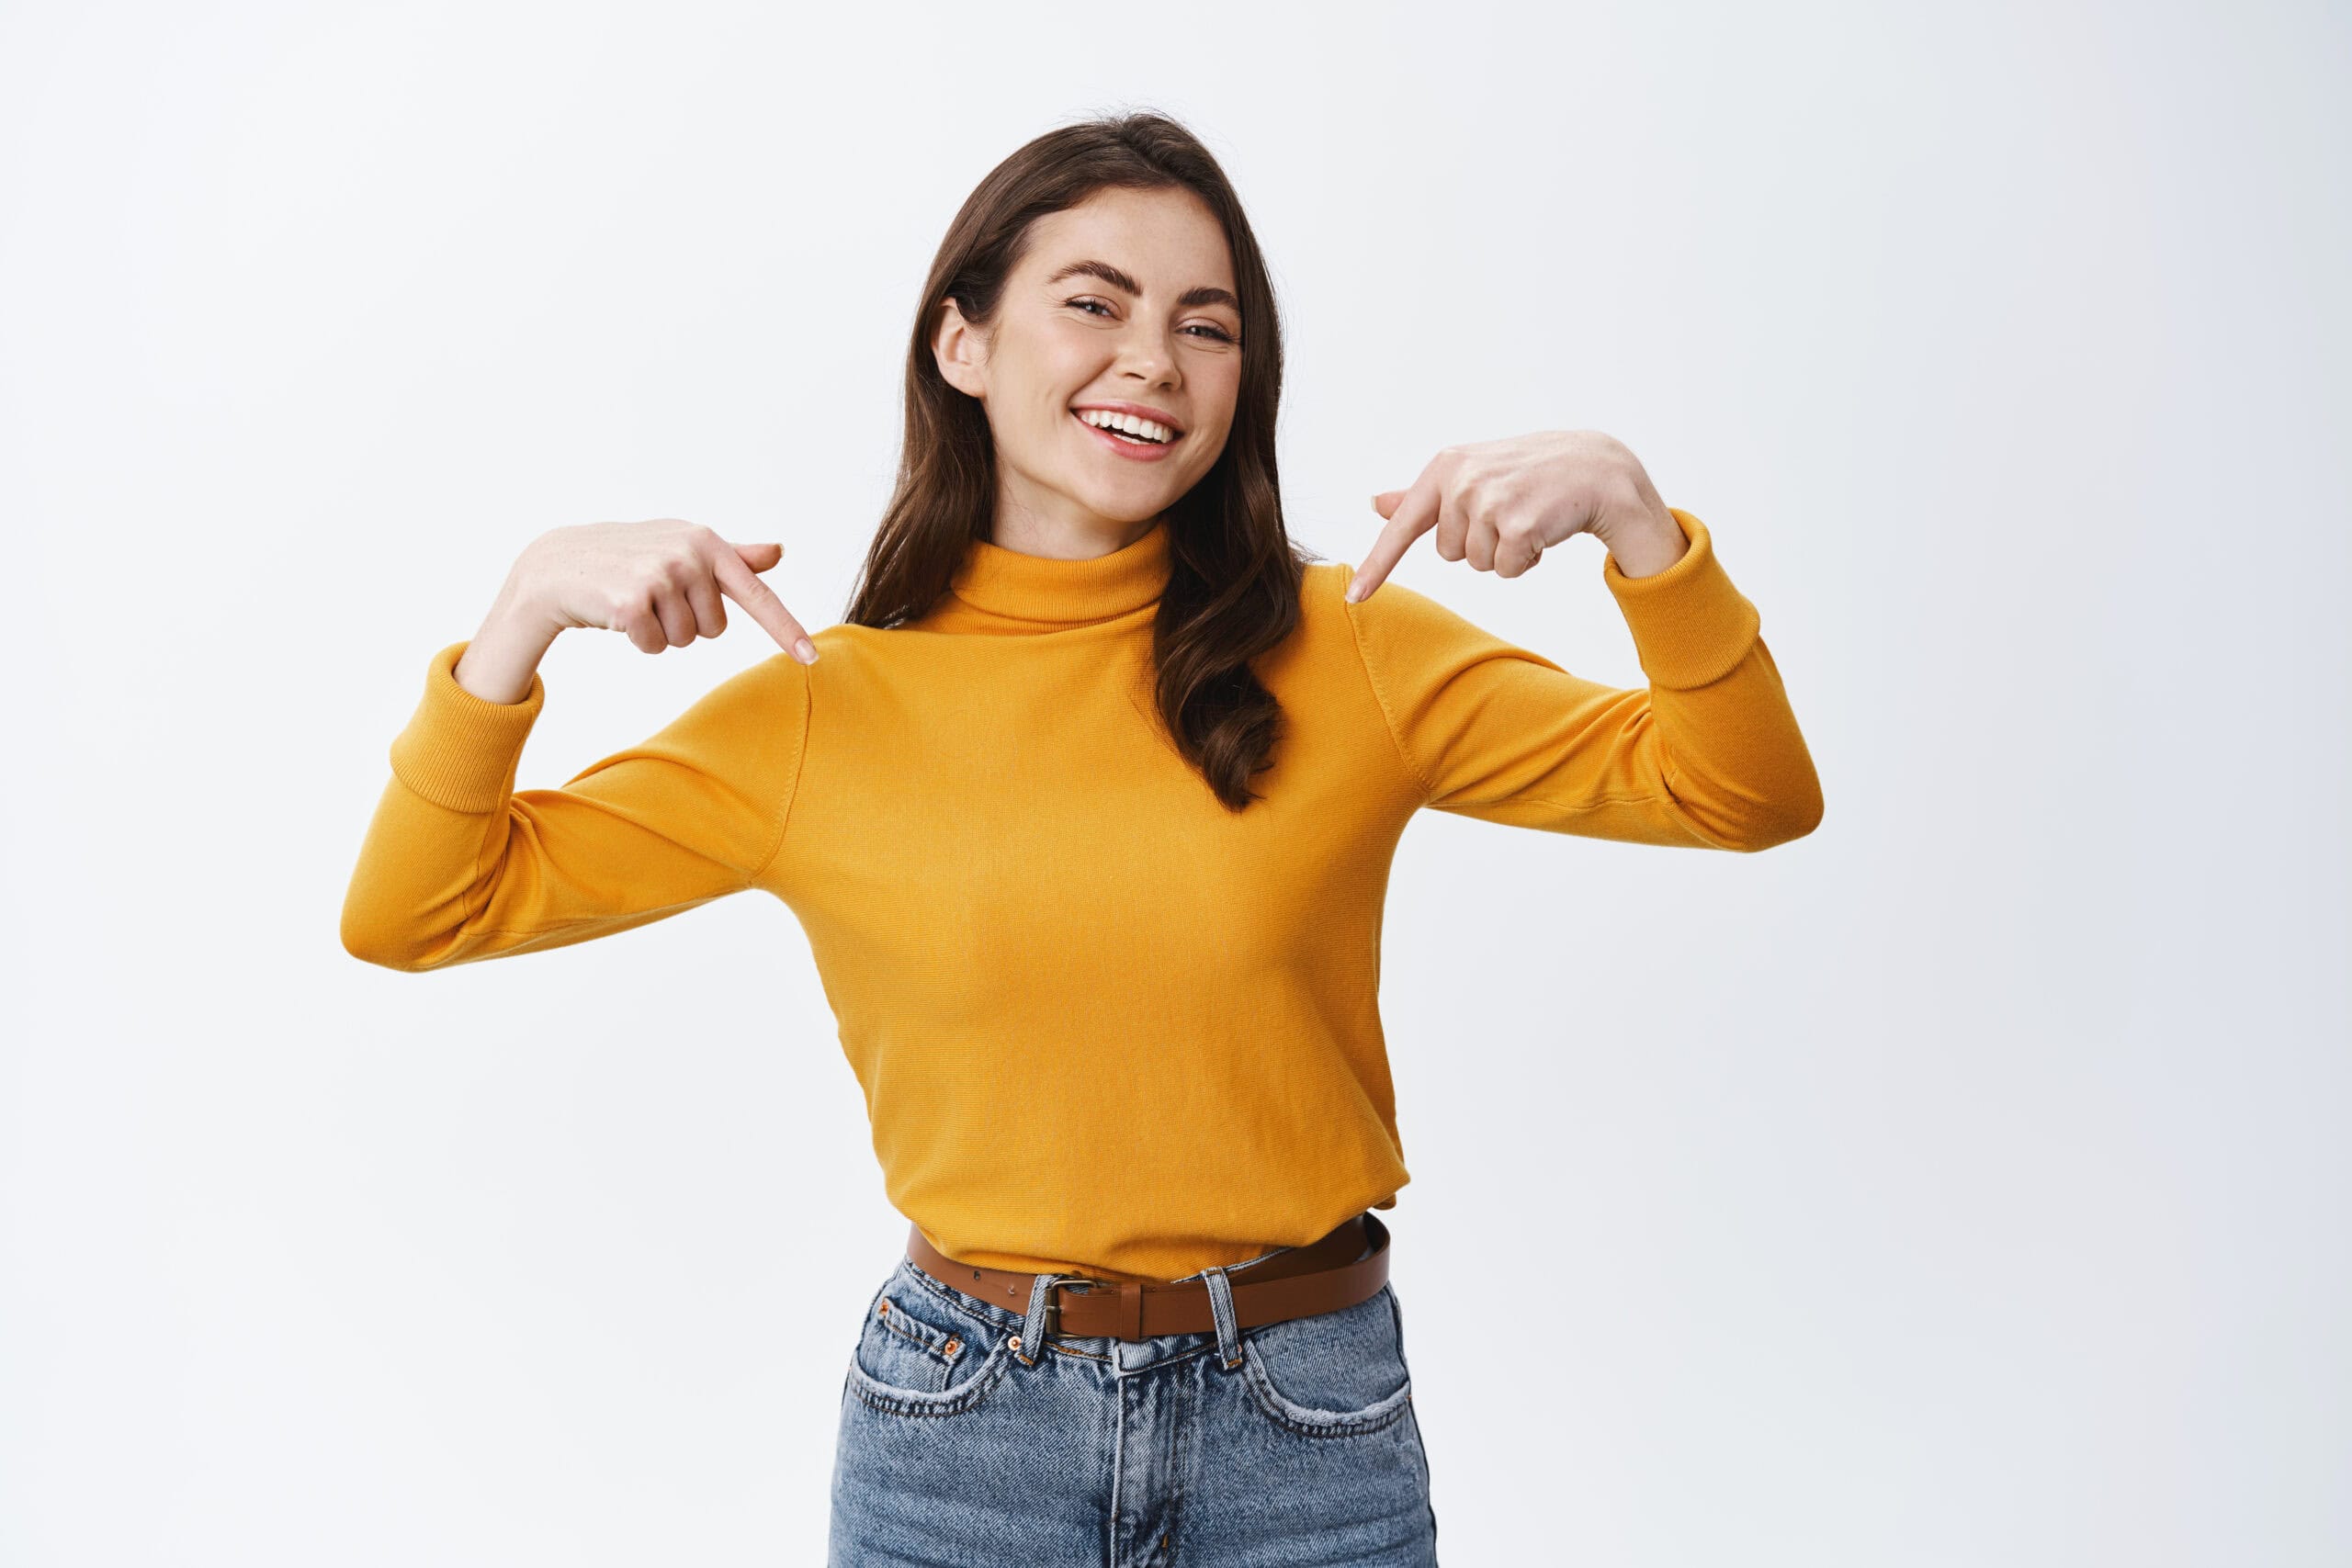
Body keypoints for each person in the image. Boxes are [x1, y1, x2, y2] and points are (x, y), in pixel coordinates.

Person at [341, 111, 1824, 1566]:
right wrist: (519, 619)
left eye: (1206, 324)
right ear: (961, 343)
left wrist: (1639, 525)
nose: (1152, 363)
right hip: (962, 1435)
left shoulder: (1348, 650)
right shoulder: (824, 712)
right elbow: (418, 909)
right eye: (1093, 303)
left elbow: (1744, 792)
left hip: (1307, 1426)